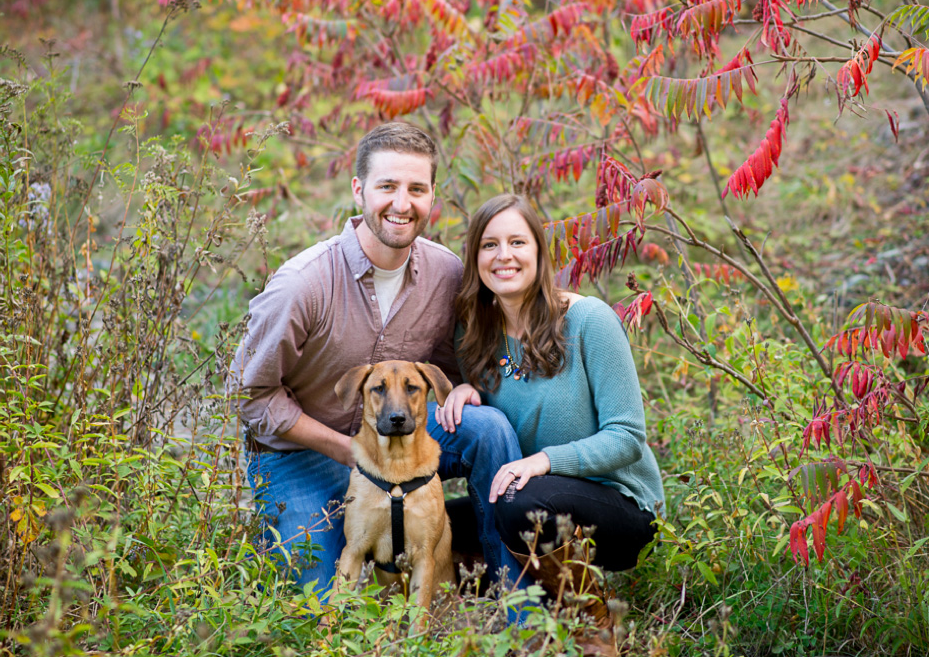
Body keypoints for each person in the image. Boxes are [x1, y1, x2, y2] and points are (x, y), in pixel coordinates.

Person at [227, 122, 523, 594]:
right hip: (302, 457)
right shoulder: (303, 285)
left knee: (488, 429)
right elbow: (248, 393)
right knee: (319, 605)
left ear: (432, 196)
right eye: (387, 186)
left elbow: (455, 364)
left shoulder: (445, 274)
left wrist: (464, 384)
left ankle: (517, 604)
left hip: (405, 440)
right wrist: (348, 451)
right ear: (358, 190)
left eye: (416, 189)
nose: (402, 204)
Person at [437, 193, 664, 652]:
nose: (504, 256)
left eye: (517, 242)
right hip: (530, 494)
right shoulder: (474, 332)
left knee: (519, 506)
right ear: (474, 259)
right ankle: (517, 592)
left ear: (540, 253)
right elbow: (501, 406)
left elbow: (628, 438)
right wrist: (466, 389)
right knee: (434, 523)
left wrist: (543, 460)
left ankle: (590, 621)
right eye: (489, 245)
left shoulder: (587, 321)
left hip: (621, 506)